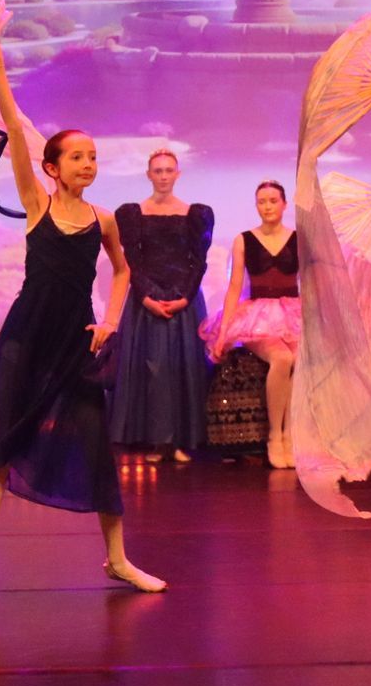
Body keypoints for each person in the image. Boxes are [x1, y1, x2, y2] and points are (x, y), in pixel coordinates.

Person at [0, 37, 165, 605]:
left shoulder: (103, 219)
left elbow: (123, 272)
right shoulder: (37, 202)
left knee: (96, 449)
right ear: (51, 167)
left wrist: (110, 322)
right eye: (77, 156)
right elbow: (13, 130)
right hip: (26, 338)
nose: (88, 163)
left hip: (76, 343)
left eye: (92, 156)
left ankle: (118, 559)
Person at [108, 150, 215, 463]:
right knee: (153, 369)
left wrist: (184, 297)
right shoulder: (133, 213)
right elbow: (131, 261)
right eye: (158, 171)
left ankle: (181, 440)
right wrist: (146, 298)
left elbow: (199, 261)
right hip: (146, 301)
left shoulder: (195, 214)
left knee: (184, 367)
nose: (164, 176)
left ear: (178, 174)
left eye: (169, 170)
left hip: (185, 300)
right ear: (149, 175)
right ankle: (157, 440)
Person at [203, 182, 302, 468]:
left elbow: (308, 280)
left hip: (293, 310)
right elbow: (235, 286)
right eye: (262, 201)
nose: (267, 206)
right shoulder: (244, 239)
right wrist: (224, 332)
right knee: (282, 358)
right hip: (258, 314)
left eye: (273, 200)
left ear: (284, 204)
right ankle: (274, 436)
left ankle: (290, 434)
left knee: (301, 359)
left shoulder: (299, 239)